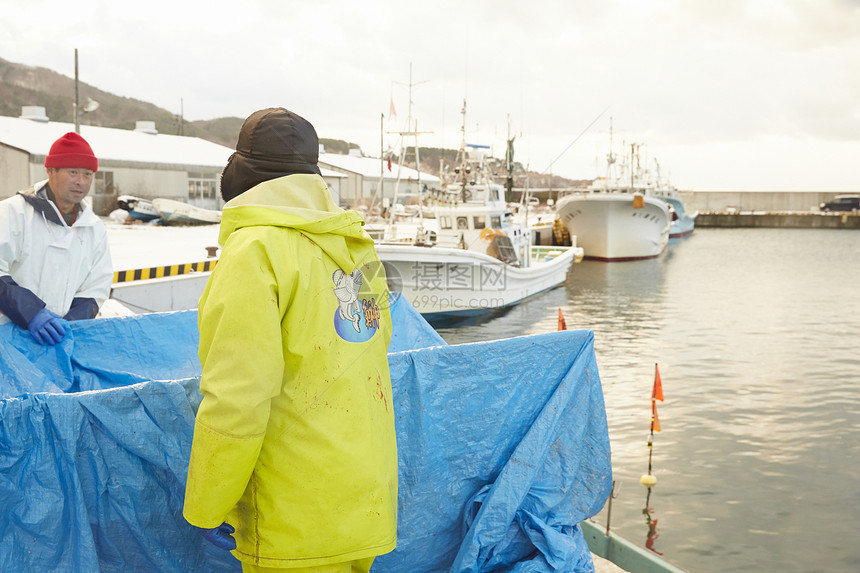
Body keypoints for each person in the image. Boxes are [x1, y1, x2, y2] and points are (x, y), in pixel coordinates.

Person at [183, 108, 398, 573]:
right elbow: (372, 353)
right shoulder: (353, 245)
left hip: (294, 513)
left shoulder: (253, 250)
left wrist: (208, 501)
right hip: (363, 499)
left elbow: (238, 395)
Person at [0, 131, 113, 344]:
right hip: (7, 342)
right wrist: (31, 313)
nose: (81, 182)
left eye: (88, 174)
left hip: (58, 341)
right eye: (73, 172)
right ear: (51, 171)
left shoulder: (94, 228)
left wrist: (71, 324)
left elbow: (97, 285)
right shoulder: (13, 214)